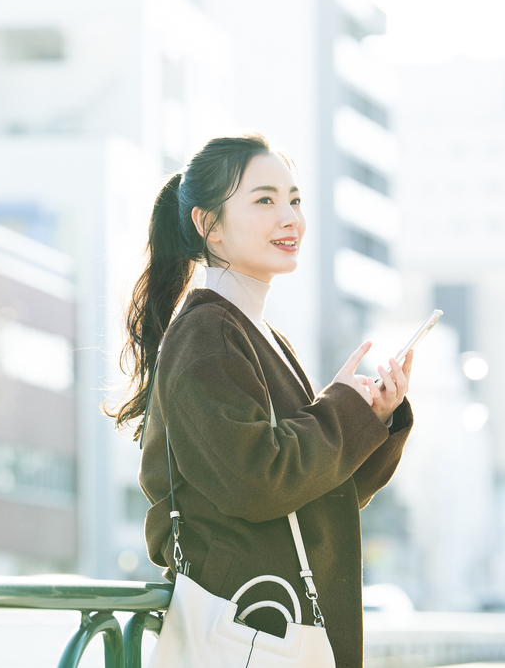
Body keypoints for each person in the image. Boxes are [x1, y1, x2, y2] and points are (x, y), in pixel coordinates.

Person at [107, 133, 414, 668]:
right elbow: (258, 481)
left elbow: (319, 495)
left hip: (272, 626)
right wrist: (339, 410)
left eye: (295, 199)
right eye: (265, 200)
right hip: (253, 630)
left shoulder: (250, 332)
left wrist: (372, 416)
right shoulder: (209, 334)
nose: (290, 217)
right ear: (209, 226)